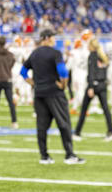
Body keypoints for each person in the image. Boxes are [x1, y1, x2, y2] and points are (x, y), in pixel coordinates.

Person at [21, 29, 85, 165]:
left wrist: (33, 83)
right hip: (54, 93)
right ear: (47, 38)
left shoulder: (34, 53)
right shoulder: (55, 53)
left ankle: (44, 156)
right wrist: (63, 85)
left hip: (39, 94)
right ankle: (69, 155)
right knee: (64, 123)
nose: (54, 40)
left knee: (41, 126)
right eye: (53, 37)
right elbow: (63, 71)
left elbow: (23, 71)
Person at [72, 38, 112, 142]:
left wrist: (91, 87)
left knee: (83, 110)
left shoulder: (92, 55)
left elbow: (91, 72)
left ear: (91, 46)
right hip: (102, 84)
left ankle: (77, 132)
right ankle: (111, 131)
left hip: (94, 85)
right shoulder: (103, 56)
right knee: (106, 109)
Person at [0, 36, 18, 129]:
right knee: (11, 103)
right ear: (5, 43)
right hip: (7, 79)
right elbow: (12, 63)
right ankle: (14, 122)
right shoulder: (10, 54)